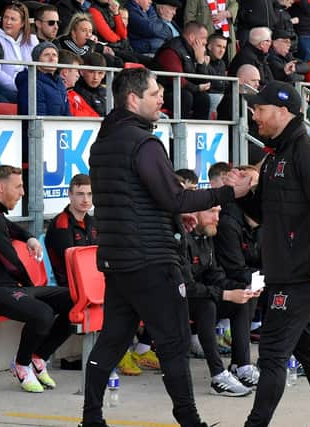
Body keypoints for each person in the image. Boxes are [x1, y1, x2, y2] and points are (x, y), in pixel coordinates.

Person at [79, 67, 252, 427]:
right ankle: (190, 421)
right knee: (173, 343)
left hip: (118, 260)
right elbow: (174, 197)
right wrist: (226, 193)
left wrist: (174, 220)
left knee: (111, 340)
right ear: (132, 99)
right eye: (156, 93)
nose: (162, 99)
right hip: (152, 260)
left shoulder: (102, 142)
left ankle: (91, 417)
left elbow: (135, 198)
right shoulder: (143, 142)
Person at [226, 80, 310, 427]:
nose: (254, 117)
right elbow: (266, 212)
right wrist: (241, 194)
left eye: (260, 110)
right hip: (283, 270)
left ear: (283, 112)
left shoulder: (307, 154)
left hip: (298, 273)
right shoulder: (274, 156)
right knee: (308, 352)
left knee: (273, 354)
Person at [0, 165, 73, 393]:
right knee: (42, 313)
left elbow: (14, 229)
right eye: (19, 186)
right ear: (1, 188)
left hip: (7, 289)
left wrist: (31, 237)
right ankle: (21, 364)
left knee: (74, 299)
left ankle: (38, 357)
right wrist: (32, 289)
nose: (23, 192)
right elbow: (13, 263)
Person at [183, 205, 260, 396]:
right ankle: (218, 376)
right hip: (176, 300)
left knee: (241, 300)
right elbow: (187, 287)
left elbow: (216, 276)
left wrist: (241, 289)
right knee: (207, 306)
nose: (217, 218)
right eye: (211, 212)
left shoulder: (207, 238)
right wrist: (226, 294)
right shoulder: (181, 239)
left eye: (218, 212)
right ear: (194, 214)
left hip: (201, 296)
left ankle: (241, 366)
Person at [45, 174, 97, 288]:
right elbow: (70, 264)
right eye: (80, 194)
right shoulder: (61, 224)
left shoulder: (92, 222)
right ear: (70, 195)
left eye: (89, 194)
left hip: (91, 278)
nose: (85, 200)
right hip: (70, 285)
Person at [154, 21, 211, 119]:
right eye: (203, 38)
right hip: (162, 92)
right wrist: (197, 88)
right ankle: (180, 131)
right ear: (192, 37)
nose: (205, 42)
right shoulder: (172, 50)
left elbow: (204, 81)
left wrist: (201, 62)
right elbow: (177, 80)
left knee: (203, 98)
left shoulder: (195, 52)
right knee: (185, 96)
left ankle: (198, 131)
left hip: (183, 90)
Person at [0, 1, 39, 103]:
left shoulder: (32, 39)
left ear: (22, 23)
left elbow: (39, 68)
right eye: (6, 17)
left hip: (30, 88)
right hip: (4, 89)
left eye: (13, 19)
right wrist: (19, 87)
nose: (8, 22)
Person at [15, 41, 69, 116]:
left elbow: (67, 113)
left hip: (58, 127)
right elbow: (37, 116)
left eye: (54, 55)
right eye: (46, 55)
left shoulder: (60, 83)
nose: (52, 59)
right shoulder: (30, 82)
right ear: (37, 60)